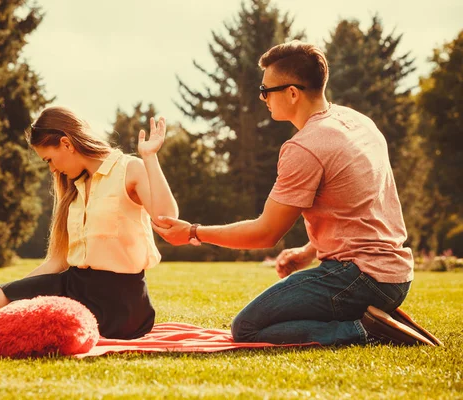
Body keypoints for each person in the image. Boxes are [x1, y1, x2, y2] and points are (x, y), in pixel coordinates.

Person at [152, 40, 416, 346]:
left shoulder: (306, 145)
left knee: (246, 328)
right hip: (395, 277)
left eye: (266, 90)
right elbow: (360, 211)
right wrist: (307, 252)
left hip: (359, 279)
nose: (262, 97)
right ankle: (378, 317)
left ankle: (366, 331)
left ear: (292, 93)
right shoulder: (359, 123)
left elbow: (266, 233)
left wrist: (193, 233)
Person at [0, 106, 178, 339]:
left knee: (52, 326)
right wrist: (18, 293)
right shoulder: (74, 187)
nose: (52, 168)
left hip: (120, 302)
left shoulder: (129, 168)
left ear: (66, 144)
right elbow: (58, 261)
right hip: (73, 285)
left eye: (49, 159)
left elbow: (167, 219)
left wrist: (150, 157)